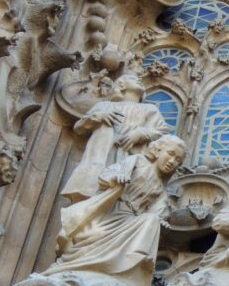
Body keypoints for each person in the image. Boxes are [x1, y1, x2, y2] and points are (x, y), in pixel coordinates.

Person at [44, 135, 186, 286]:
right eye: (170, 154)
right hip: (111, 212)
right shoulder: (137, 161)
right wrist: (114, 178)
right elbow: (106, 175)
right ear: (158, 150)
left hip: (131, 220)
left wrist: (160, 222)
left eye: (178, 161)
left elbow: (157, 213)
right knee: (92, 237)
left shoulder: (161, 189)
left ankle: (131, 265)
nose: (172, 161)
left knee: (150, 220)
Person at [62, 74, 170, 202]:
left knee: (123, 195)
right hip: (102, 156)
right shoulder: (104, 106)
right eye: (133, 78)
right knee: (92, 193)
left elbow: (162, 132)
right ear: (122, 85)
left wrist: (140, 134)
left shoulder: (149, 109)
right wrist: (98, 117)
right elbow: (79, 128)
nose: (139, 79)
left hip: (130, 158)